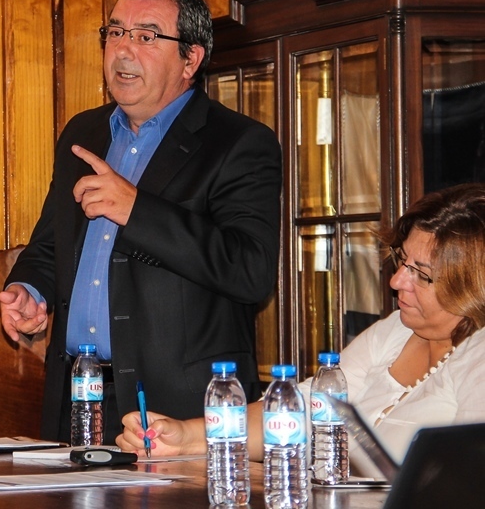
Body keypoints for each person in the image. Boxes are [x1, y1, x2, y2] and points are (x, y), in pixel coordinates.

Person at [0, 0, 282, 443]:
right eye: (115, 32)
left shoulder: (239, 143)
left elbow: (249, 270)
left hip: (178, 410)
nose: (123, 50)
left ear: (191, 59)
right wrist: (30, 289)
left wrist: (136, 209)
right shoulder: (84, 133)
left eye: (146, 36)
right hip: (78, 397)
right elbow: (51, 244)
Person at [116, 183, 485, 473]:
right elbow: (303, 409)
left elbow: (466, 483)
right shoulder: (396, 330)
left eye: (421, 274)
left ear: (475, 285)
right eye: (401, 260)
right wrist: (186, 436)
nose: (396, 281)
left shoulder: (479, 355)